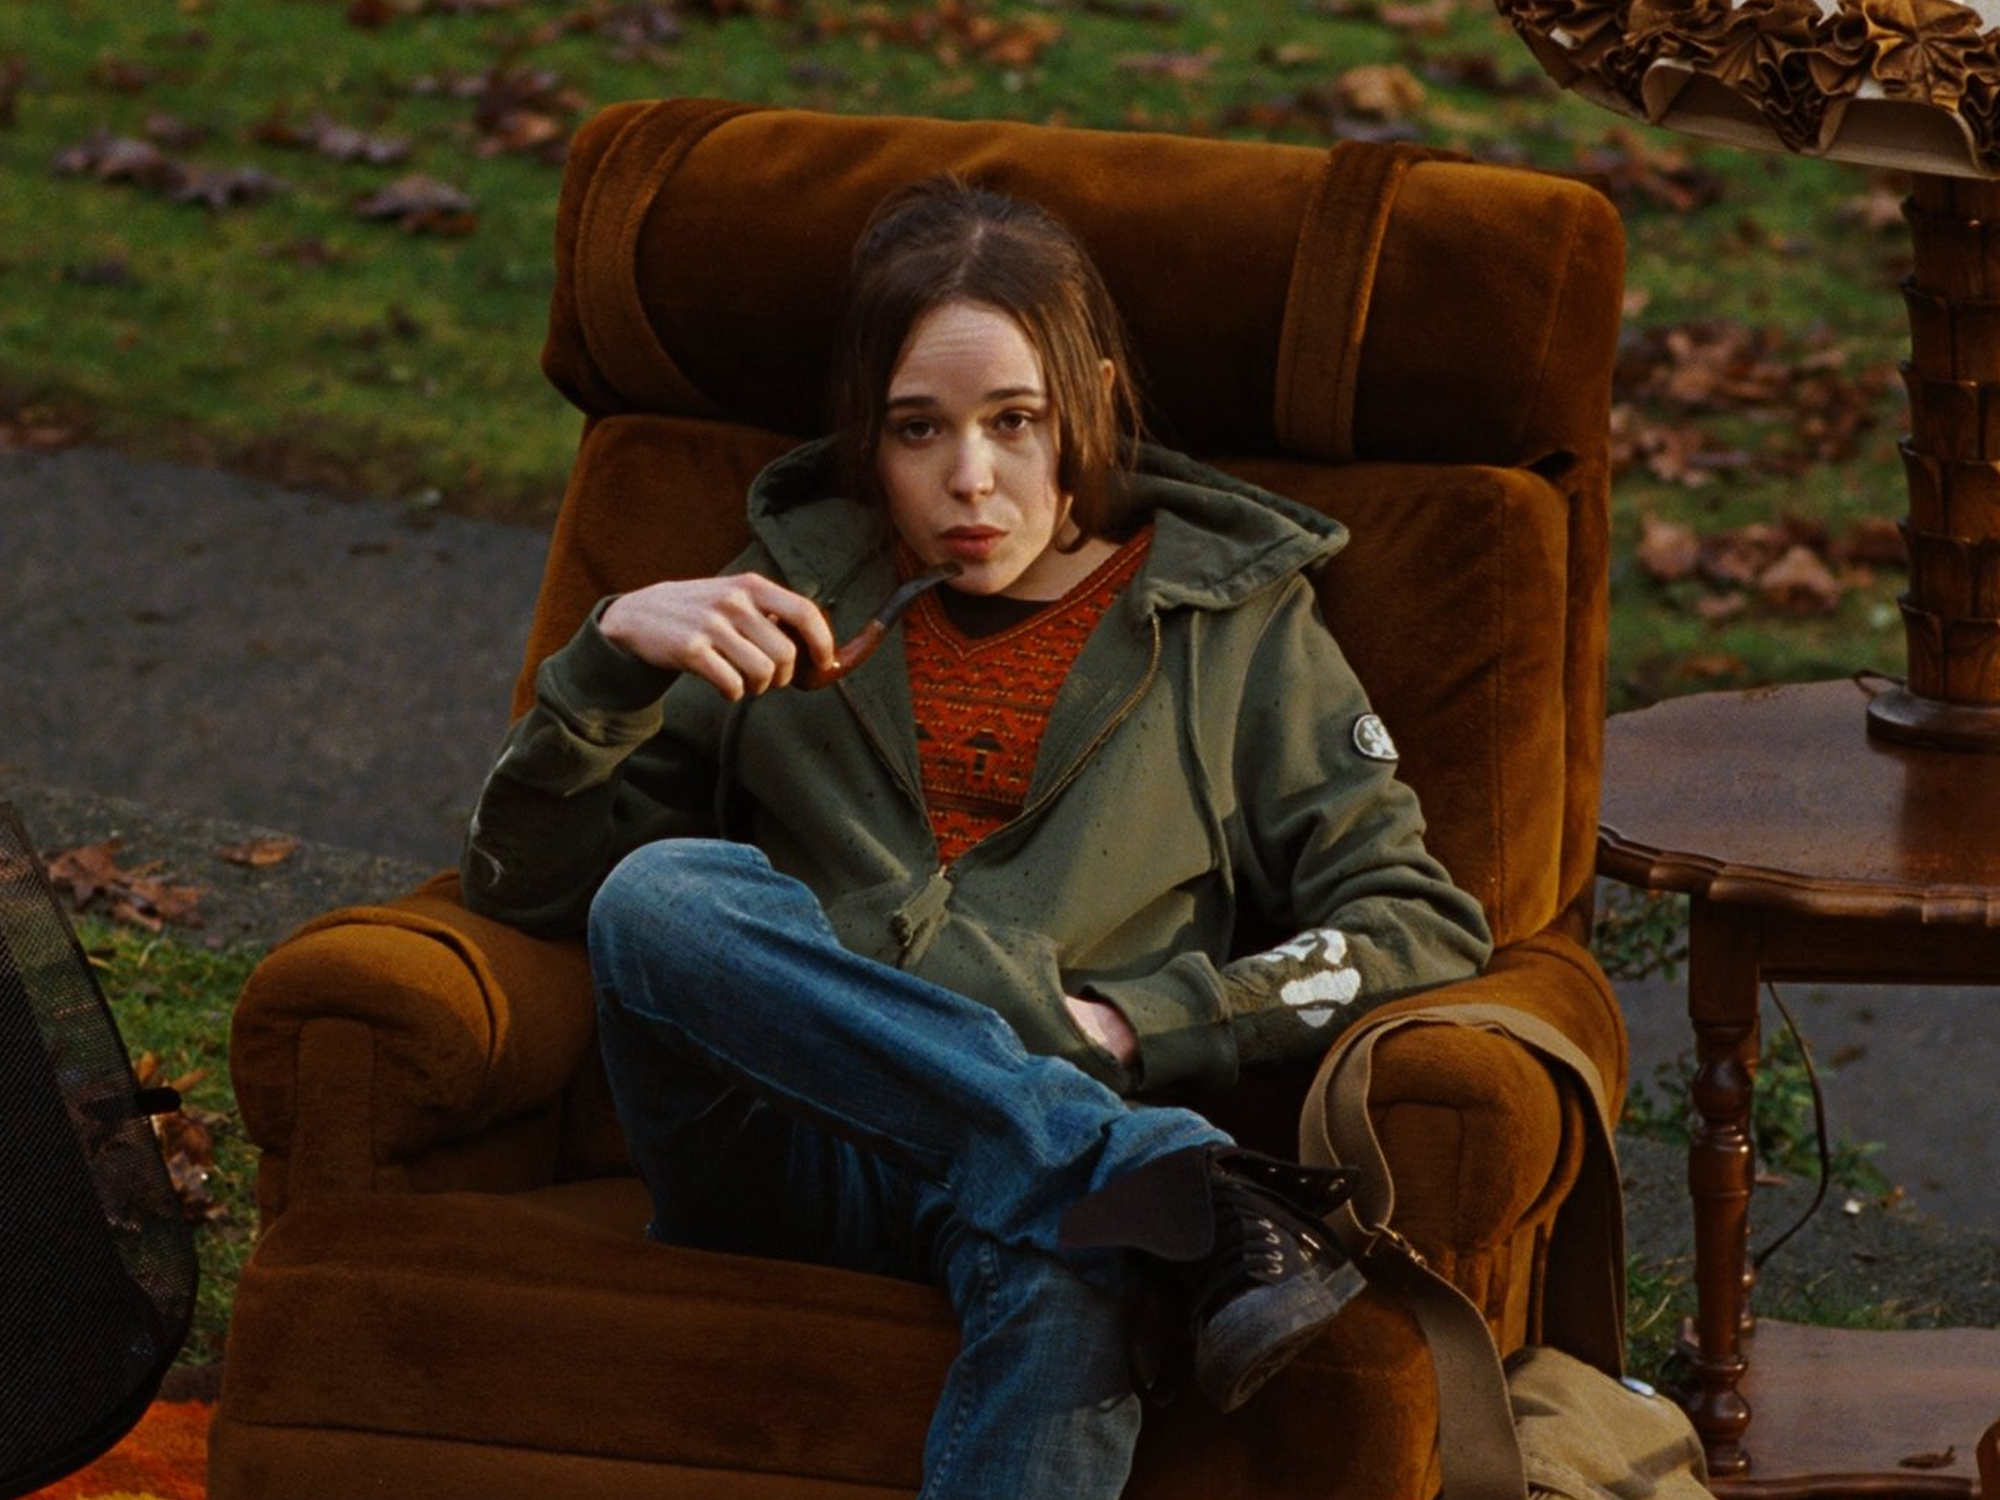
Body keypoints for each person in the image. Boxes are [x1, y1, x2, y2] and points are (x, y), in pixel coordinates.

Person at [460, 175, 1492, 1500]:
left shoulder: (1237, 626)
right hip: (783, 1144)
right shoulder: (782, 585)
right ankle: (1150, 1170)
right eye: (917, 430)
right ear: (866, 430)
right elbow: (538, 890)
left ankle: (1098, 1169)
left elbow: (1415, 920)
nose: (969, 479)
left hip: (1044, 1166)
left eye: (1016, 420)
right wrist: (607, 659)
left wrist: (1144, 1025)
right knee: (663, 894)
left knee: (1084, 1257)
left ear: (1092, 403)